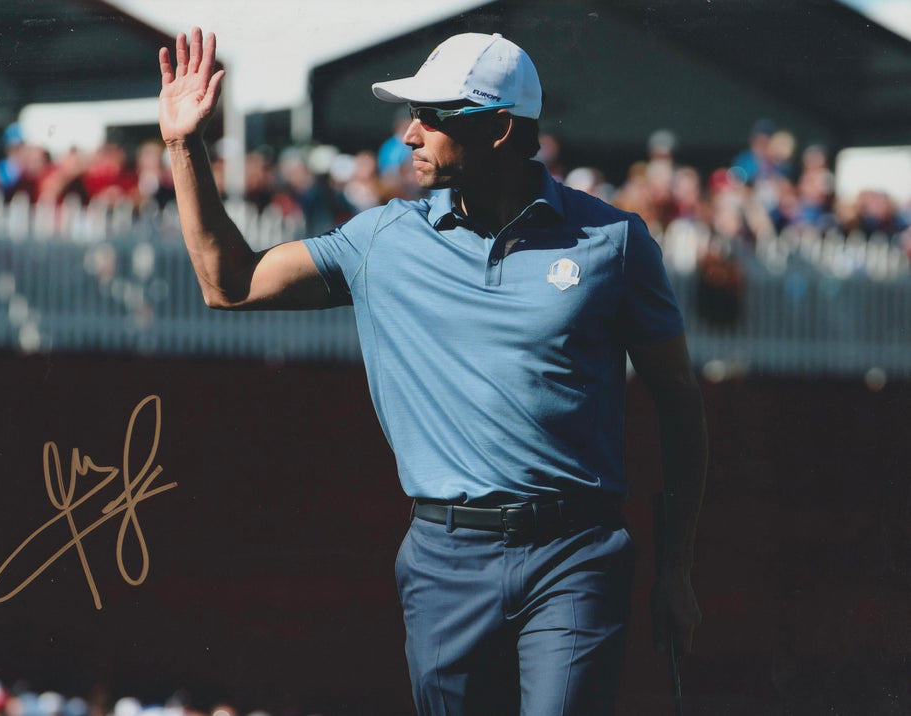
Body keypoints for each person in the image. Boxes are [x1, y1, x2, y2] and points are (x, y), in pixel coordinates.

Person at [159, 28, 707, 716]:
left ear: (501, 128)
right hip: (446, 560)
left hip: (577, 555)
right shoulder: (381, 240)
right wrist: (184, 144)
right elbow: (228, 284)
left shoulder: (614, 242)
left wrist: (678, 569)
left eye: (434, 117)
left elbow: (680, 404)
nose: (410, 136)